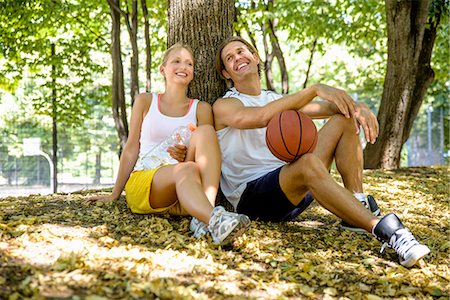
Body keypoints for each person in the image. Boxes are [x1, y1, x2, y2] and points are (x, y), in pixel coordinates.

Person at [209, 36, 430, 267]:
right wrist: (315, 89)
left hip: (292, 185)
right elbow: (260, 116)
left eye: (241, 52)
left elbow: (332, 107)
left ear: (254, 57)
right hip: (253, 197)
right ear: (226, 73)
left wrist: (359, 108)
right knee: (306, 163)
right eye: (229, 59)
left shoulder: (276, 99)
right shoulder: (225, 105)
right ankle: (387, 230)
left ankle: (356, 203)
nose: (238, 59)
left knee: (344, 118)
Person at [88, 42, 250, 246]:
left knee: (205, 135)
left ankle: (203, 218)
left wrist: (185, 153)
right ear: (163, 69)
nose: (184, 67)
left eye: (189, 64)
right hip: (146, 184)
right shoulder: (145, 101)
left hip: (185, 191)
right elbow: (131, 149)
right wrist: (115, 193)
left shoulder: (201, 108)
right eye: (177, 61)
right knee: (186, 169)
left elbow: (206, 154)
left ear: (193, 72)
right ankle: (215, 220)